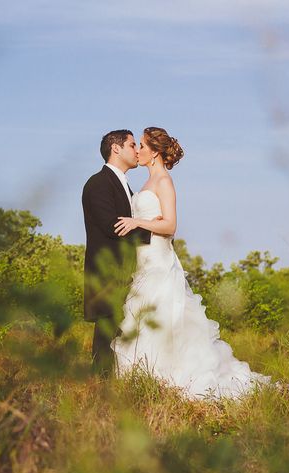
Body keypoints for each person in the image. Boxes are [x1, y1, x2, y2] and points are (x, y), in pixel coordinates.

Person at [111, 127, 274, 400]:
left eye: (140, 145)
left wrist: (137, 222)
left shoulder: (163, 181)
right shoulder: (144, 184)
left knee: (165, 322)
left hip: (160, 265)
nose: (137, 151)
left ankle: (170, 380)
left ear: (154, 152)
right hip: (143, 264)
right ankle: (145, 382)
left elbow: (171, 225)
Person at [81, 129, 153, 377]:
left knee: (120, 334)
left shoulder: (124, 185)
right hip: (107, 273)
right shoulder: (98, 184)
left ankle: (115, 386)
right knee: (106, 335)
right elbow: (114, 227)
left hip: (127, 272)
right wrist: (155, 235)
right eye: (133, 145)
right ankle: (98, 392)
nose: (137, 151)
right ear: (116, 148)